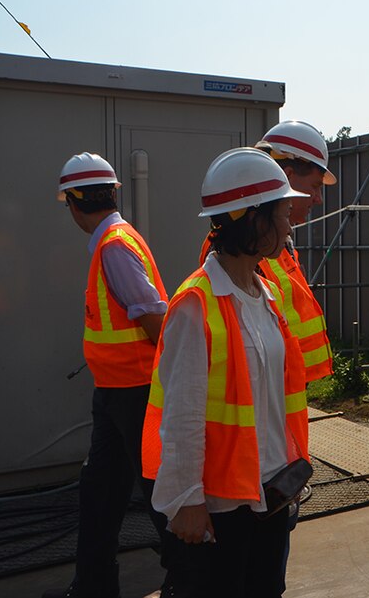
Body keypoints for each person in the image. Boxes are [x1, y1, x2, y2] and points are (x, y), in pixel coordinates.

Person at [142, 148, 310, 598]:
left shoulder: (267, 293)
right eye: (282, 213)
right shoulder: (195, 305)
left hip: (272, 491)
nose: (290, 225)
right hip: (220, 506)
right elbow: (181, 416)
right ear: (253, 221)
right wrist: (187, 502)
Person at [46, 153, 170, 598]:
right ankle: (94, 586)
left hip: (134, 393)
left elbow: (154, 316)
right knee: (100, 492)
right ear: (113, 192)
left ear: (75, 202)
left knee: (158, 493)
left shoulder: (114, 245)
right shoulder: (116, 239)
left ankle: (190, 575)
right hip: (116, 394)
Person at [199, 120, 337, 384]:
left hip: (283, 385)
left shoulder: (278, 244)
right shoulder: (240, 249)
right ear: (286, 178)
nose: (318, 199)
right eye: (316, 186)